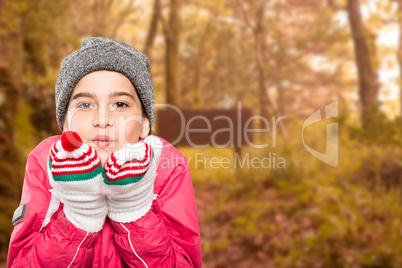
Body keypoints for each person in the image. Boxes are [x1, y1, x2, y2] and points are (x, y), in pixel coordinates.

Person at [7, 37, 202, 268]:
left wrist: (133, 210)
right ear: (66, 126)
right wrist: (79, 216)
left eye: (120, 104)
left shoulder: (166, 166)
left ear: (144, 125)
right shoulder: (45, 163)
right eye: (85, 104)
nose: (102, 120)